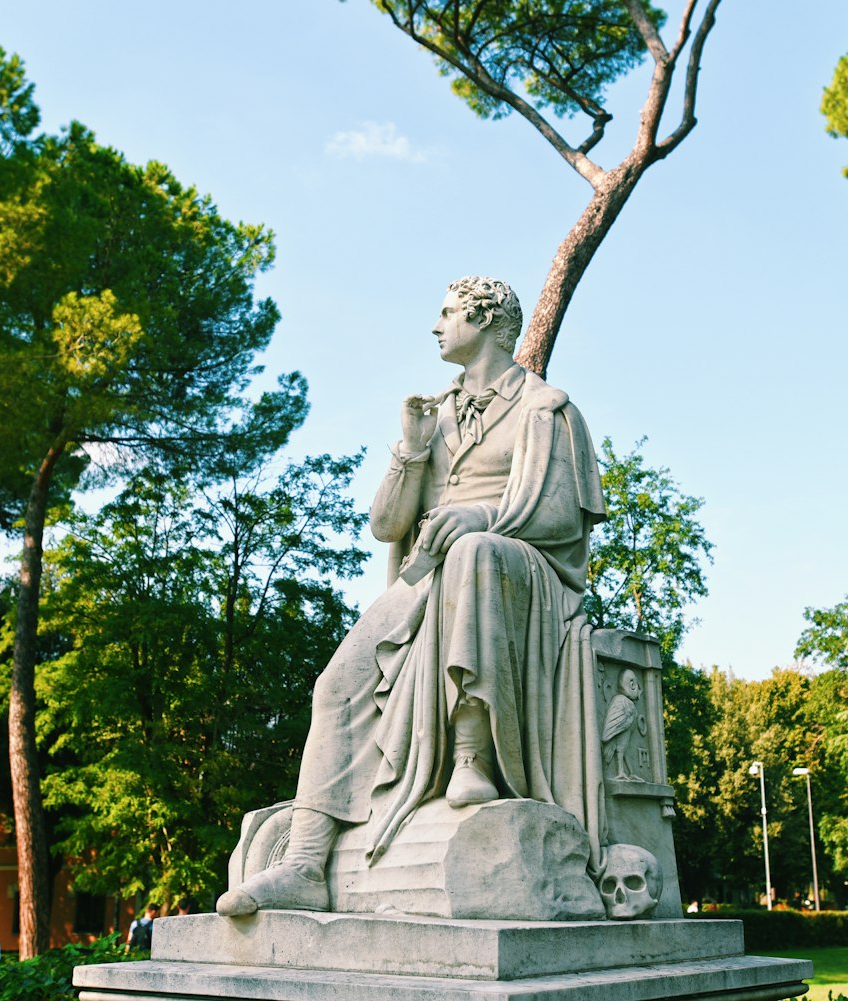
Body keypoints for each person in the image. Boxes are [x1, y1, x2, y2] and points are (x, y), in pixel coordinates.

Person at [217, 276, 606, 917]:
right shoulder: (436, 412)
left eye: (448, 312)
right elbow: (386, 527)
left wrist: (487, 519)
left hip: (518, 573)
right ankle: (306, 863)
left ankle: (473, 755)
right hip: (425, 578)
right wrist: (412, 449)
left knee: (474, 556)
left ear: (487, 320)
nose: (436, 325)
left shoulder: (547, 408)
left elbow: (563, 514)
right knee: (336, 684)